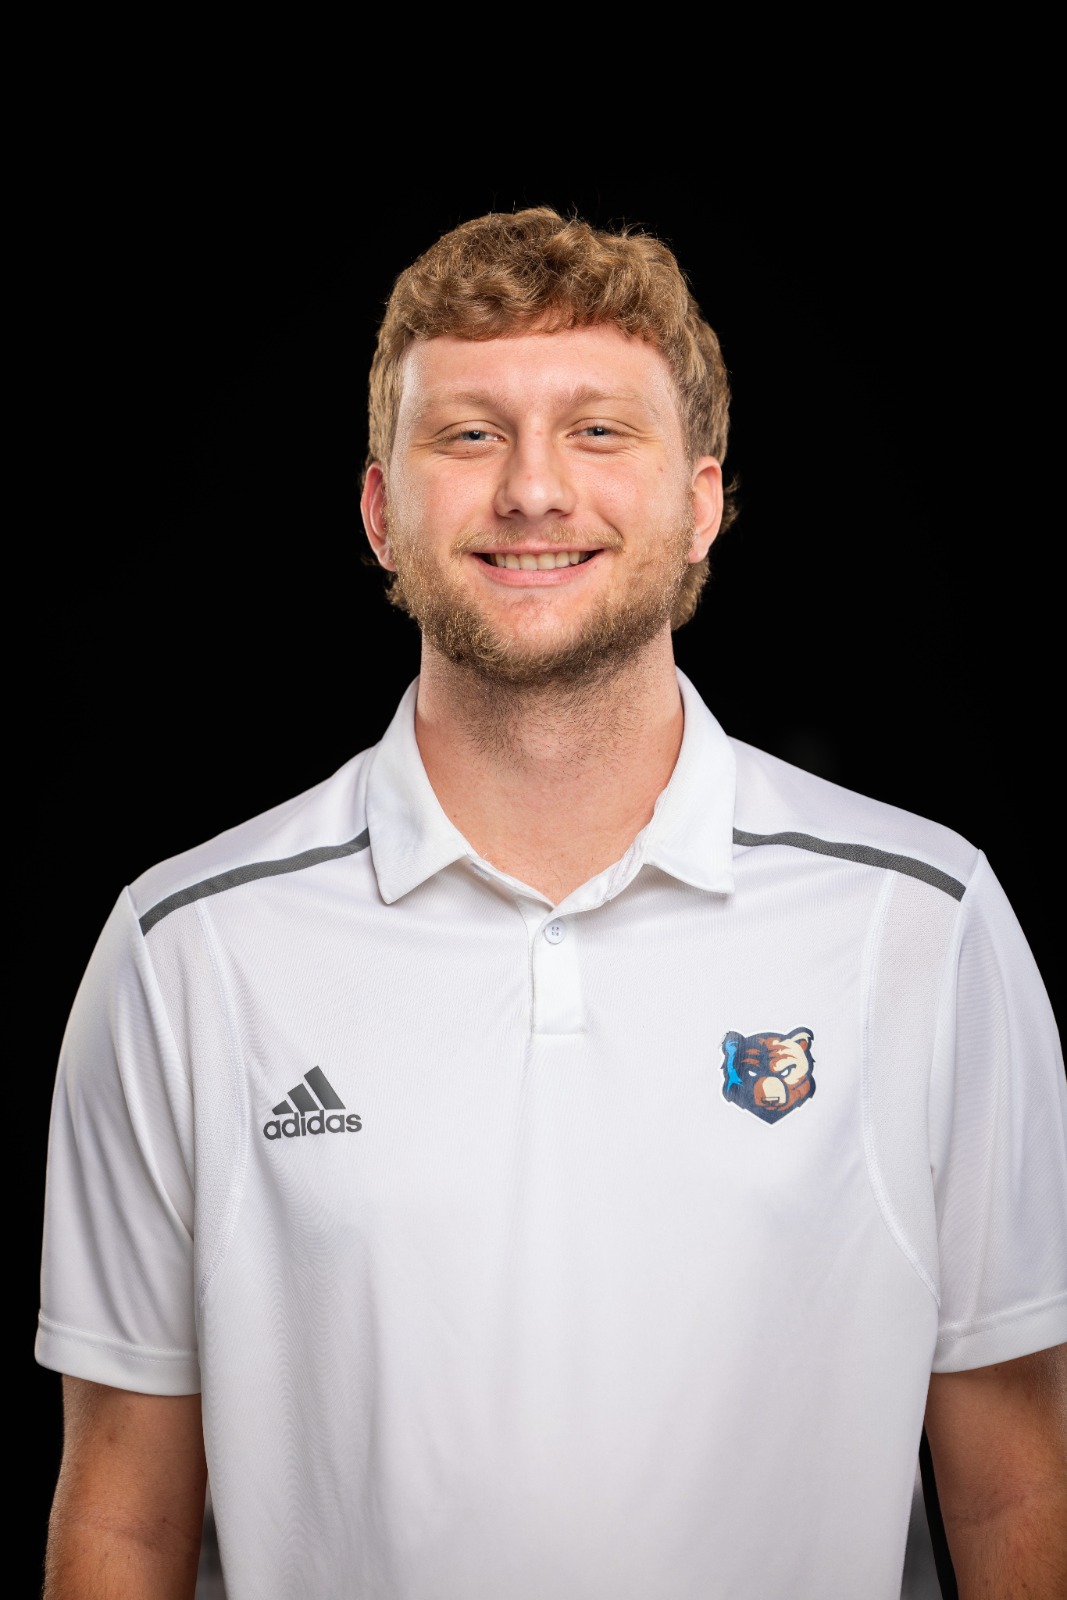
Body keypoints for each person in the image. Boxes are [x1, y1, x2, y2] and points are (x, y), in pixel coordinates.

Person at [38, 207, 1067, 1600]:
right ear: (378, 510)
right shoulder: (187, 952)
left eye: (597, 431)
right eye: (469, 436)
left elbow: (1016, 1490)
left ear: (700, 499)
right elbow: (121, 1522)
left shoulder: (924, 922)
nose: (532, 491)